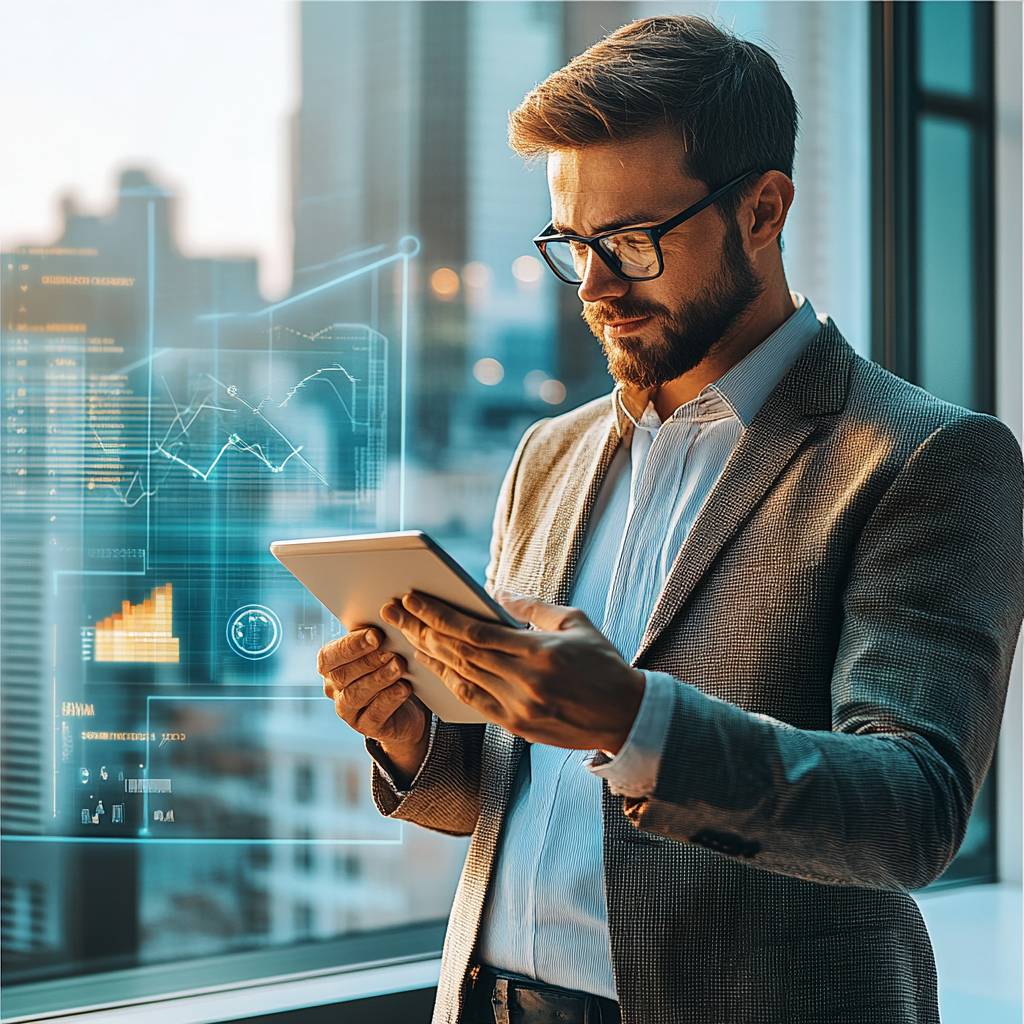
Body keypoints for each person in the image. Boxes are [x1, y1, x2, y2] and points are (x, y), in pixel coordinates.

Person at [316, 15, 1024, 1024]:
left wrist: (630, 719)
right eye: (572, 242)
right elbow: (524, 801)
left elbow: (911, 810)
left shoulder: (923, 457)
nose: (595, 285)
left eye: (633, 240)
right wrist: (413, 740)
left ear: (763, 211)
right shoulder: (547, 455)